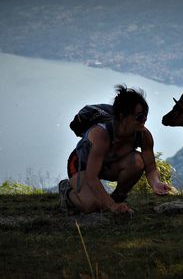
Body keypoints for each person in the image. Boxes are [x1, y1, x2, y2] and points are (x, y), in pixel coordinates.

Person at [59, 85, 171, 214]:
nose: (144, 119)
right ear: (123, 116)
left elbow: (150, 168)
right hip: (82, 165)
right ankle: (66, 192)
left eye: (145, 115)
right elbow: (91, 176)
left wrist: (156, 183)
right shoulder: (101, 134)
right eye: (139, 116)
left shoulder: (143, 135)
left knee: (138, 161)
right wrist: (111, 206)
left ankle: (117, 198)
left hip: (109, 164)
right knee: (91, 205)